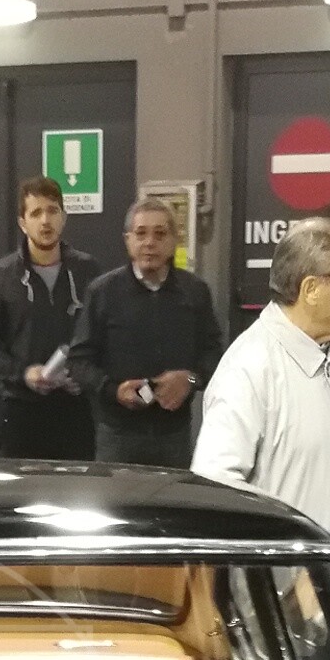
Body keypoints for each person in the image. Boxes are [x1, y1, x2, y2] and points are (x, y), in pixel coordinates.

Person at [194, 217, 330, 558]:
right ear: (312, 289)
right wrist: (283, 571)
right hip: (284, 588)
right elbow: (215, 489)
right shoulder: (250, 369)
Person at [68, 197, 224, 467]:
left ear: (174, 241)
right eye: (141, 234)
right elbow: (78, 362)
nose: (150, 242)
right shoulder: (103, 292)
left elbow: (214, 355)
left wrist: (190, 380)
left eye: (160, 234)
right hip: (118, 436)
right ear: (128, 240)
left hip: (174, 437)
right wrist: (113, 390)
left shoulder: (195, 292)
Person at [0, 174, 98, 458]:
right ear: (22, 222)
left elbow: (102, 336)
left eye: (52, 211)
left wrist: (86, 374)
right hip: (22, 411)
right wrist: (23, 373)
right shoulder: (0, 276)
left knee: (79, 486)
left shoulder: (88, 271)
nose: (45, 221)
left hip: (76, 410)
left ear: (63, 217)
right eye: (36, 213)